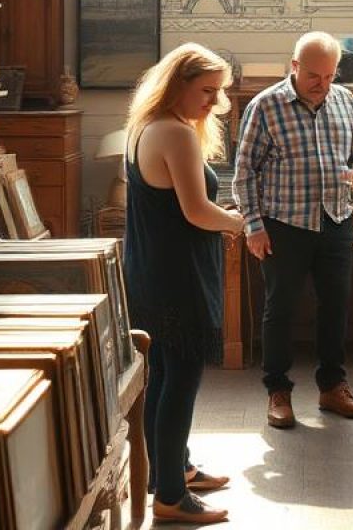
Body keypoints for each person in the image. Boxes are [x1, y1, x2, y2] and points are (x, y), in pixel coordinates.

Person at [123, 43, 245, 525]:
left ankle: (169, 471)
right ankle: (171, 497)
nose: (214, 103)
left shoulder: (144, 127)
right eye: (207, 91)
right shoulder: (175, 134)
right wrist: (241, 223)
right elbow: (197, 211)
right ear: (178, 85)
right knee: (182, 379)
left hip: (151, 268)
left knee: (165, 376)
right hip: (178, 275)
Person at [233, 31, 353, 429]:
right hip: (284, 225)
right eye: (315, 75)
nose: (323, 84)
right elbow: (244, 173)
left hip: (337, 219)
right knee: (279, 309)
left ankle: (333, 387)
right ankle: (277, 390)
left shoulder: (345, 100)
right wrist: (254, 227)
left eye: (330, 76)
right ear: (294, 66)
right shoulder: (265, 106)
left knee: (336, 306)